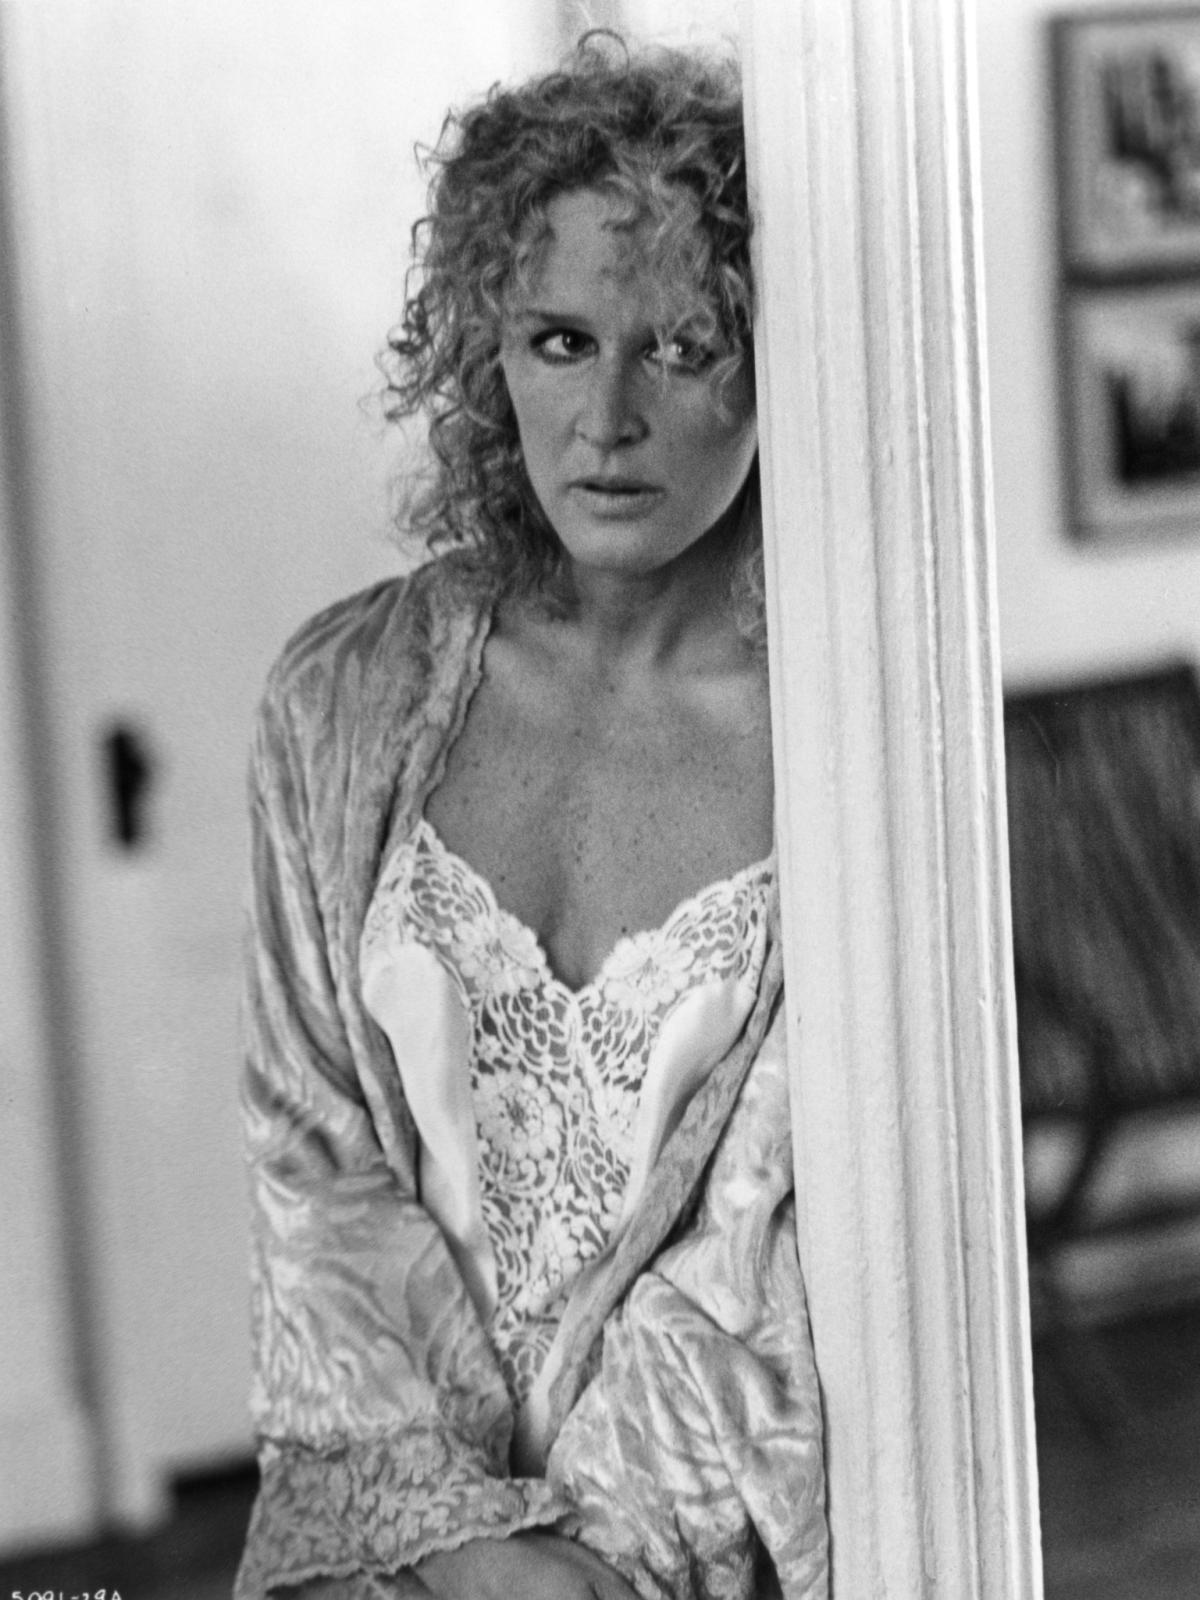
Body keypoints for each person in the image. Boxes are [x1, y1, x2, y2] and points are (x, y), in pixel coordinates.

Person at [235, 34, 828, 1600]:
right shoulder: (339, 700)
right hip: (389, 1548)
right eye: (561, 341)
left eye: (684, 347)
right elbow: (313, 1165)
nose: (608, 417)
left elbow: (763, 1255)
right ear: (485, 351)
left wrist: (577, 1572)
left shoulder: (849, 741)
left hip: (685, 1557)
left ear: (780, 351)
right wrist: (461, 1548)